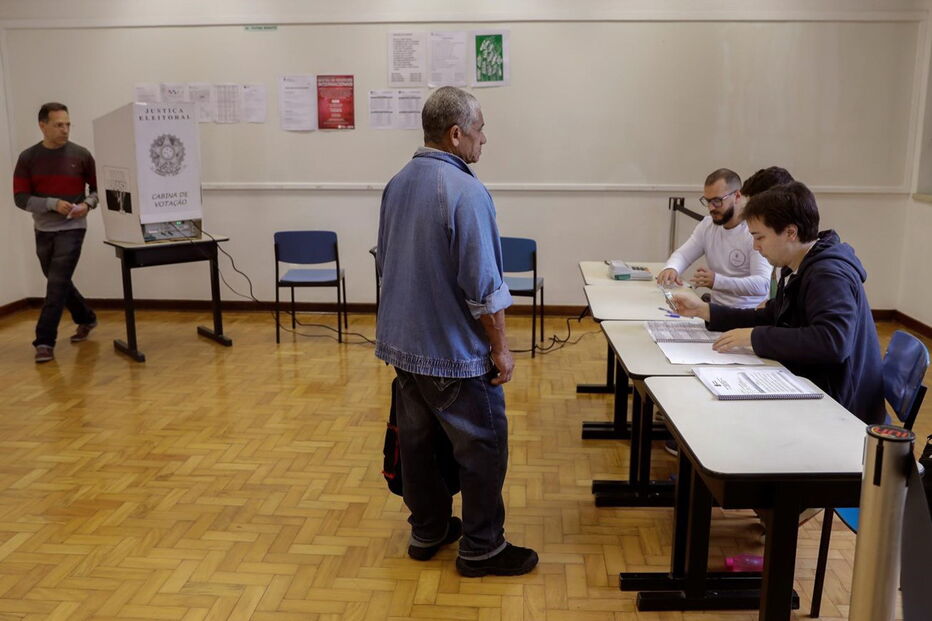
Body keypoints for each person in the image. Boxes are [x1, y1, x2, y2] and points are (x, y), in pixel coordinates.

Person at [374, 86, 538, 577]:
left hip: (404, 348)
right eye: (479, 129)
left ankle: (428, 530)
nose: (483, 139)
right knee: (483, 447)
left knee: (420, 446)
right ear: (455, 133)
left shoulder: (397, 183)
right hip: (454, 355)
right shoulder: (466, 191)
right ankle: (483, 546)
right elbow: (485, 287)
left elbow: (384, 262)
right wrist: (501, 350)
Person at [671, 181, 884, 424]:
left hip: (841, 411)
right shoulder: (797, 267)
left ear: (791, 232)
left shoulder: (828, 275)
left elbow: (833, 342)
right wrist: (706, 311)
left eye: (759, 237)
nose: (755, 246)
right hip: (814, 386)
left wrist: (755, 337)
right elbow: (772, 316)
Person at [13, 102, 99, 363]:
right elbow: (20, 198)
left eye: (68, 124)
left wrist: (87, 205)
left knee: (55, 283)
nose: (65, 129)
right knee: (58, 282)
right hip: (43, 228)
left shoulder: (81, 155)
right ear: (43, 126)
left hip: (73, 228)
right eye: (59, 124)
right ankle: (86, 318)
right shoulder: (28, 158)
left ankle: (44, 341)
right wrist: (51, 203)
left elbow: (97, 191)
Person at [657, 168, 771, 308]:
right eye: (707, 201)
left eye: (717, 201)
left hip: (748, 315)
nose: (711, 207)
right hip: (716, 312)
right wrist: (672, 268)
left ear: (736, 196)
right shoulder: (707, 225)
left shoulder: (753, 230)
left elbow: (762, 285)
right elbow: (683, 255)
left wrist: (717, 281)